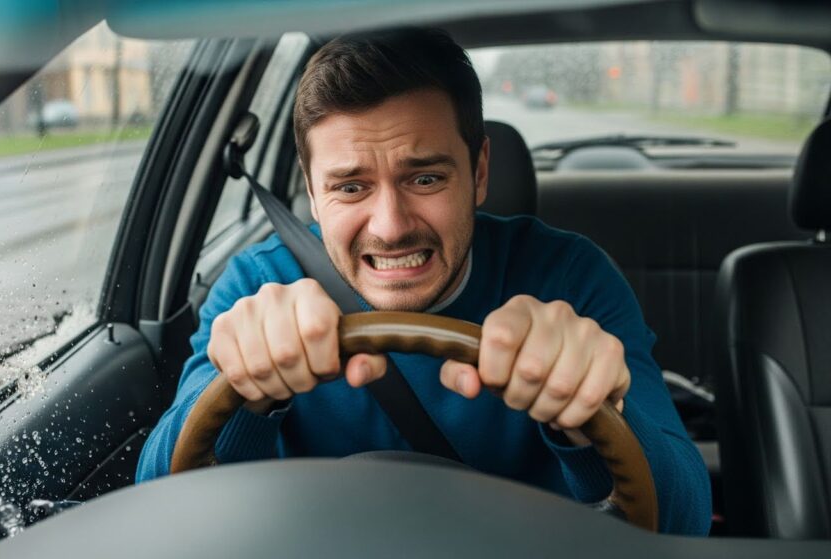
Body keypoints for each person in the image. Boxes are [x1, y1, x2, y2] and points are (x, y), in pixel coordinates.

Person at [136, 28, 711, 535]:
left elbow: (683, 523)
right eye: (350, 187)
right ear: (312, 194)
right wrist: (249, 396)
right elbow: (159, 509)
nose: (390, 228)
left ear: (479, 172)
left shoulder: (568, 280)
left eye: (426, 177)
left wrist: (587, 413)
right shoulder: (258, 288)